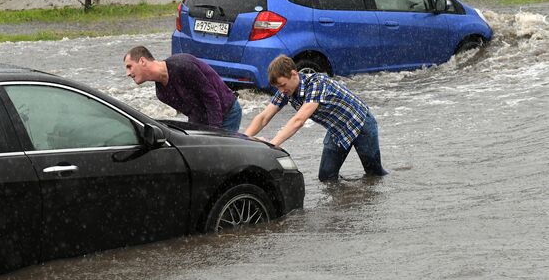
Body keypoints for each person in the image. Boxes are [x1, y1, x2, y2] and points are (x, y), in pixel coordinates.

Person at [245, 55, 387, 181]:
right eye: (278, 87)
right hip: (336, 130)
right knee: (326, 177)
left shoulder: (317, 83)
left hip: (360, 123)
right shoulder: (286, 91)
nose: (281, 91)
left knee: (374, 175)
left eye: (282, 85)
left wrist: (272, 145)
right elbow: (263, 117)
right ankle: (344, 201)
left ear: (294, 74)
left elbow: (299, 120)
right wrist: (243, 138)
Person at [124, 46, 242, 132]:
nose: (127, 73)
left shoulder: (183, 65)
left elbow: (211, 99)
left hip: (228, 112)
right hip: (206, 119)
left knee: (221, 157)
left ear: (142, 61)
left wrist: (214, 133)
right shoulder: (161, 94)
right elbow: (194, 112)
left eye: (129, 67)